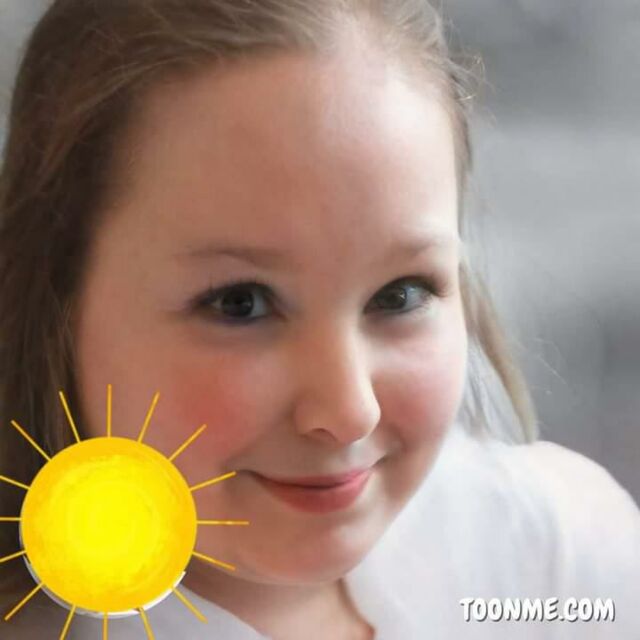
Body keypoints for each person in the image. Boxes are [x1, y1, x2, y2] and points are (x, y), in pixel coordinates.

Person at [0, 1, 637, 638]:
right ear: (56, 298)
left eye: (400, 295)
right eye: (241, 303)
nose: (350, 411)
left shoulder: (559, 557)